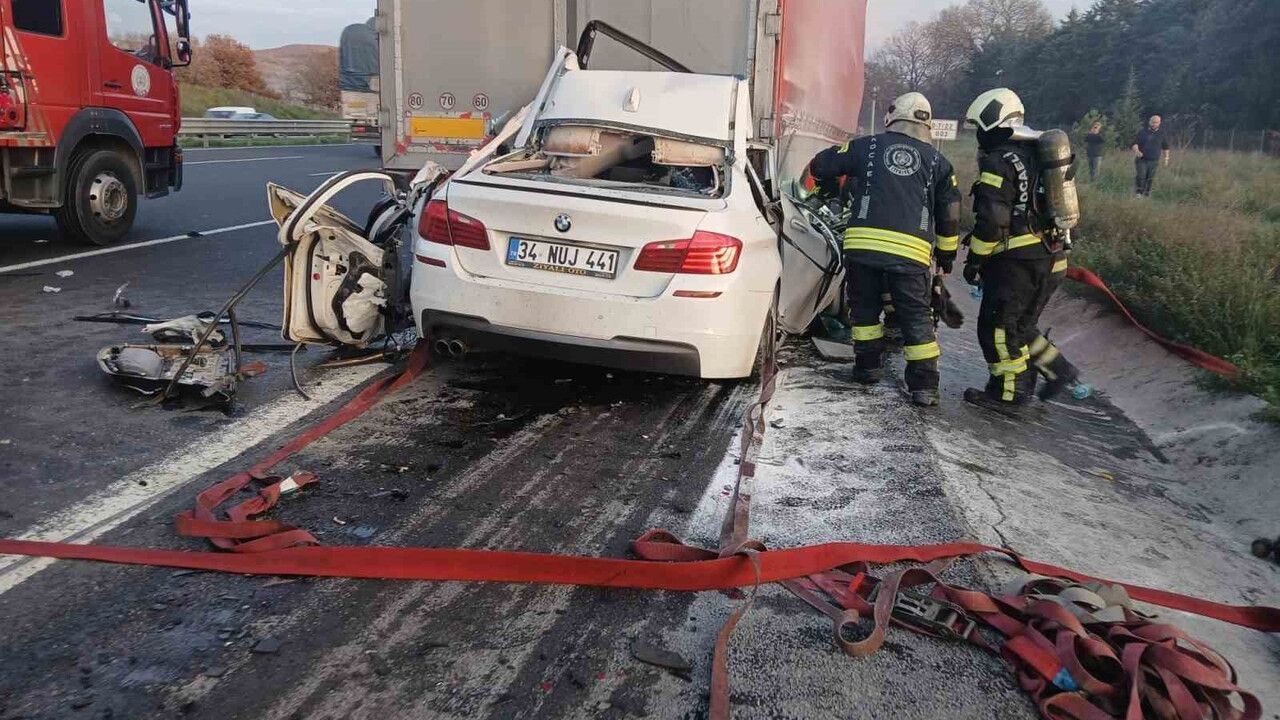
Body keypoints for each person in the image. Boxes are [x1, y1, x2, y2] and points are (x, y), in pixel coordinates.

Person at [807, 92, 961, 406]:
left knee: (864, 312)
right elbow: (950, 215)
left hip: (862, 249)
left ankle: (867, 369)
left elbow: (820, 164)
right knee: (916, 318)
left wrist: (829, 190)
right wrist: (946, 257)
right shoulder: (939, 163)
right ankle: (925, 387)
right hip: (911, 254)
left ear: (892, 116)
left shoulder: (867, 146)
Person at [961, 88, 1081, 411]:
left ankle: (1009, 394)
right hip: (1054, 256)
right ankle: (1059, 370)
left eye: (980, 127)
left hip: (1019, 263)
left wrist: (974, 260)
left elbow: (992, 220)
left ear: (994, 122)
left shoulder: (999, 160)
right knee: (1021, 326)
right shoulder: (1039, 152)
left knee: (997, 327)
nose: (980, 136)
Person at [1132, 115, 1170, 197]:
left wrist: (1166, 159)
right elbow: (1134, 143)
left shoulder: (1162, 134)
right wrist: (1137, 151)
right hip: (1141, 159)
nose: (1154, 124)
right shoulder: (1142, 132)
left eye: (1156, 122)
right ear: (1149, 122)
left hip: (1154, 160)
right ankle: (1138, 193)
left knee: (1150, 178)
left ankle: (1147, 193)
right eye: (1152, 122)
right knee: (1141, 175)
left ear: (1159, 123)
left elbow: (1166, 147)